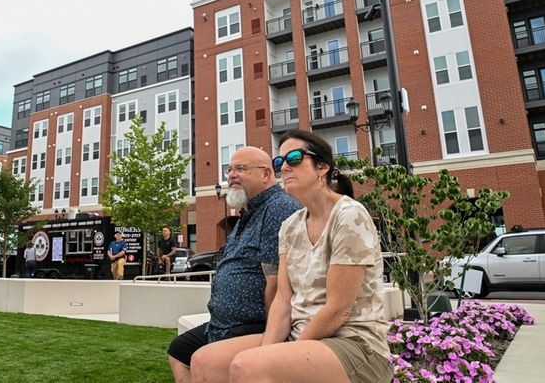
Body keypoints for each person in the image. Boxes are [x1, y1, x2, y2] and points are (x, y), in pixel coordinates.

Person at [189, 130, 392, 383]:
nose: (283, 167)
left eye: (294, 158)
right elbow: (283, 299)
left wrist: (277, 353)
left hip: (353, 343)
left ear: (322, 167)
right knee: (204, 361)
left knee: (247, 365)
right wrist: (270, 348)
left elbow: (339, 310)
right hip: (298, 336)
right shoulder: (291, 225)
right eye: (279, 162)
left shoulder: (349, 215)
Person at [167, 146, 301, 382]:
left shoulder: (278, 208)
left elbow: (276, 283)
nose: (230, 175)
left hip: (255, 324)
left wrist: (272, 340)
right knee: (179, 351)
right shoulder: (247, 213)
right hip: (223, 324)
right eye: (229, 169)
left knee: (203, 360)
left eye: (241, 169)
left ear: (266, 175)